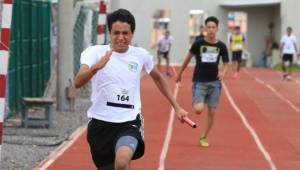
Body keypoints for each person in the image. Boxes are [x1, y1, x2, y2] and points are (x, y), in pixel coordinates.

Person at [74, 9, 188, 170]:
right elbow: (77, 82)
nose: (121, 37)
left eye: (126, 33)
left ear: (132, 34)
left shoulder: (140, 55)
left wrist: (176, 106)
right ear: (109, 33)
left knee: (121, 162)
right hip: (100, 125)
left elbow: (158, 78)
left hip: (129, 122)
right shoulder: (94, 52)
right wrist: (96, 67)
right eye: (116, 33)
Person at [176, 16, 229, 147]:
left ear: (217, 29)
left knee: (212, 112)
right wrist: (180, 73)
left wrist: (223, 72)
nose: (211, 30)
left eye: (213, 27)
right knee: (198, 110)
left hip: (215, 83)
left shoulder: (221, 46)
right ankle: (199, 96)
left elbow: (227, 63)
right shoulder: (198, 44)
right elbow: (188, 59)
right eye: (209, 27)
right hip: (200, 81)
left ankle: (203, 137)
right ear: (205, 28)